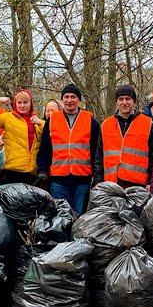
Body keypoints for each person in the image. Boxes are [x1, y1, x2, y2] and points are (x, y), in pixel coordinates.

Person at [36, 83, 101, 215]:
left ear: (79, 100)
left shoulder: (90, 120)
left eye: (73, 97)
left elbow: (96, 151)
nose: (69, 100)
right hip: (58, 179)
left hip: (82, 179)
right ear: (62, 100)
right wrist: (43, 170)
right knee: (61, 216)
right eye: (66, 97)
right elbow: (44, 149)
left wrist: (97, 176)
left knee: (80, 215)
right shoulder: (52, 120)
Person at [94, 85, 153, 189]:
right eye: (121, 99)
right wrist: (98, 181)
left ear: (134, 101)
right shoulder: (106, 124)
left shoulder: (147, 123)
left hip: (138, 185)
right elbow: (99, 157)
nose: (124, 102)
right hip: (110, 184)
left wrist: (151, 182)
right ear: (116, 102)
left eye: (128, 99)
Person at [0, 89, 44, 185]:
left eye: (25, 102)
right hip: (11, 171)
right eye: (19, 102)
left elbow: (50, 132)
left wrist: (41, 123)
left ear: (31, 103)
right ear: (15, 104)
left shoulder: (36, 121)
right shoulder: (8, 117)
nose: (22, 105)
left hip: (31, 173)